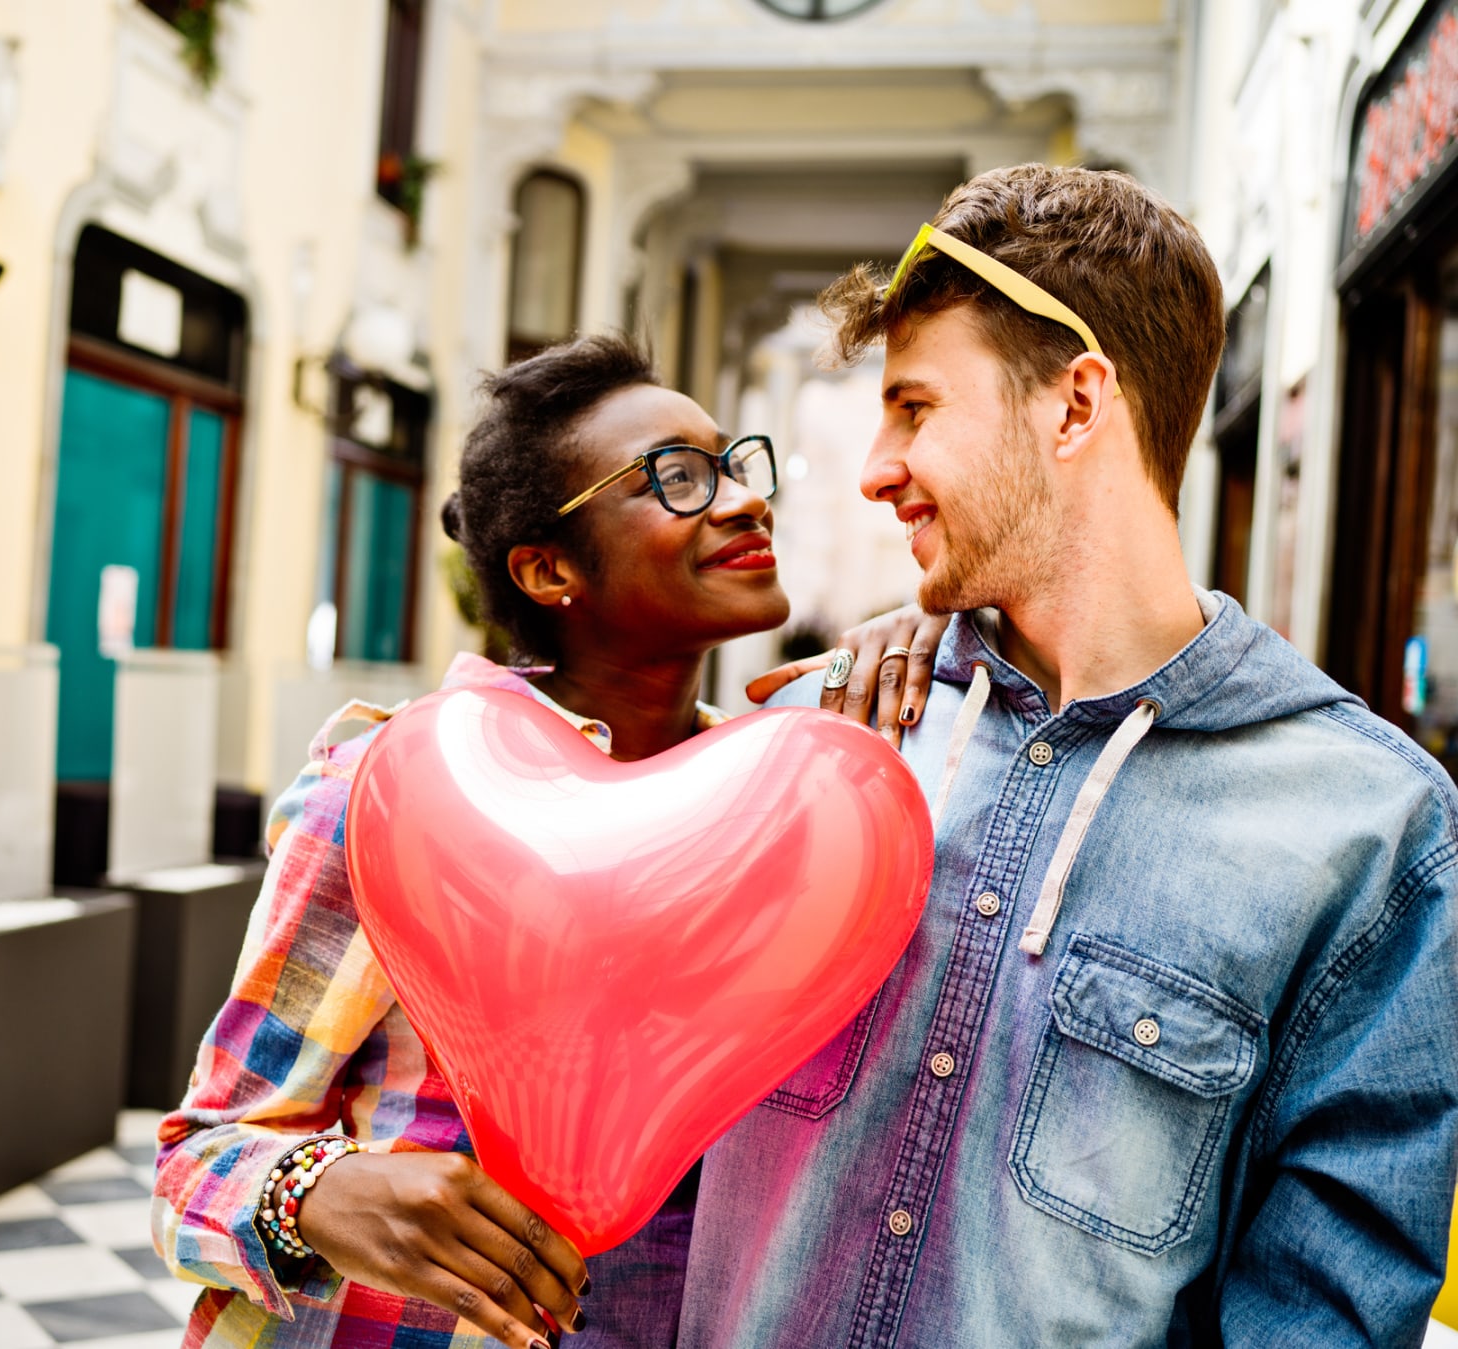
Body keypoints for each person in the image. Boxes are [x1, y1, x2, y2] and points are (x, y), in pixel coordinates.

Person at [678, 164, 1458, 1347]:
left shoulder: (1369, 832)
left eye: (917, 407)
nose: (875, 467)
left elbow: (1324, 1311)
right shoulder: (825, 737)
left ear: (1078, 406)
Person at [151, 333, 914, 1349]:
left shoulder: (801, 816)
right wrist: (321, 1192)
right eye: (678, 479)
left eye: (734, 463)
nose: (742, 498)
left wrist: (940, 638)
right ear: (549, 567)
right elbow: (192, 1163)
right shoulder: (398, 788)